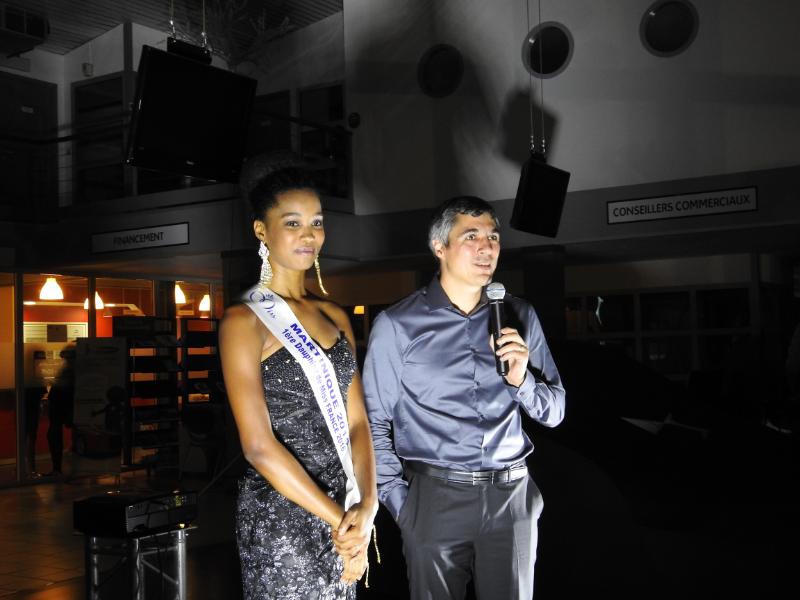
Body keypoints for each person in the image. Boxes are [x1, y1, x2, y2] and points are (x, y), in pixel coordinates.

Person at [363, 196, 566, 600]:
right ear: (439, 247)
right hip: (434, 498)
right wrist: (402, 506)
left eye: (493, 237)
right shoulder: (398, 324)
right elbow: (374, 420)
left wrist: (521, 380)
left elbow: (555, 412)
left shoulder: (520, 315)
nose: (487, 247)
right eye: (471, 236)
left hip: (512, 497)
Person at [220, 161, 378, 599]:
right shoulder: (244, 321)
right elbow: (257, 446)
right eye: (293, 223)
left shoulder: (335, 315)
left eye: (316, 223)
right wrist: (342, 522)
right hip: (281, 517)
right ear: (261, 230)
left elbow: (358, 422)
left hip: (346, 508)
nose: (309, 235)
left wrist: (366, 506)